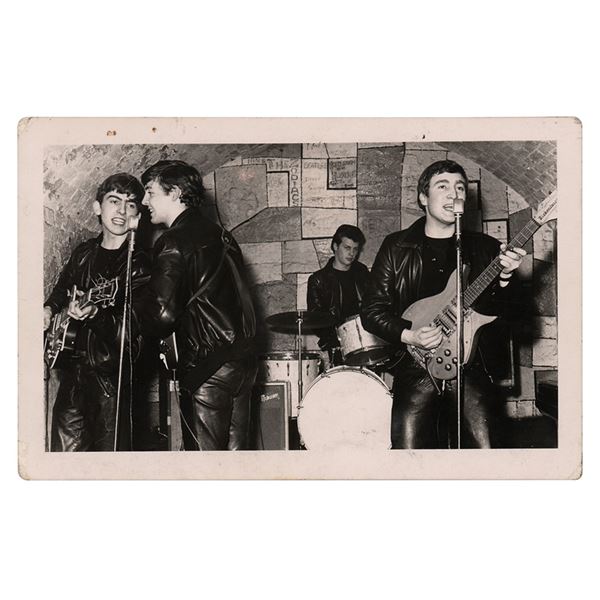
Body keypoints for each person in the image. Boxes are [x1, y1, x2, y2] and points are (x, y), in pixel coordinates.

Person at [361, 160, 526, 449]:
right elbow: (372, 311)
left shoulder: (485, 248)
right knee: (409, 459)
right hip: (415, 367)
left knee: (486, 461)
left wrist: (506, 278)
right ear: (423, 198)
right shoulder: (397, 247)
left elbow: (509, 315)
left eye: (460, 187)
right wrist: (410, 335)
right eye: (443, 186)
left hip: (472, 368)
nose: (454, 194)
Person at [139, 160, 257, 451]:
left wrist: (131, 310)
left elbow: (161, 315)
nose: (144, 202)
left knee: (204, 469)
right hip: (242, 364)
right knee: (235, 464)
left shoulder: (174, 240)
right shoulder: (223, 236)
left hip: (209, 369)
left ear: (175, 193)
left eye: (150, 193)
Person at [44, 173, 150, 451]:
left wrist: (95, 314)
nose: (121, 211)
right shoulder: (84, 252)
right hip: (72, 372)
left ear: (138, 215)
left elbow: (132, 331)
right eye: (114, 201)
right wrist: (50, 309)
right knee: (63, 458)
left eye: (130, 205)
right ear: (96, 207)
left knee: (109, 466)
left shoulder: (139, 264)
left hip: (110, 378)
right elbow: (62, 288)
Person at [307, 224, 369, 365]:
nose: (351, 254)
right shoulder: (318, 280)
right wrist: (341, 338)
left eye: (355, 249)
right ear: (335, 246)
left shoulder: (362, 272)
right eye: (347, 248)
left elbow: (372, 303)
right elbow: (315, 320)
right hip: (336, 345)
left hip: (365, 340)